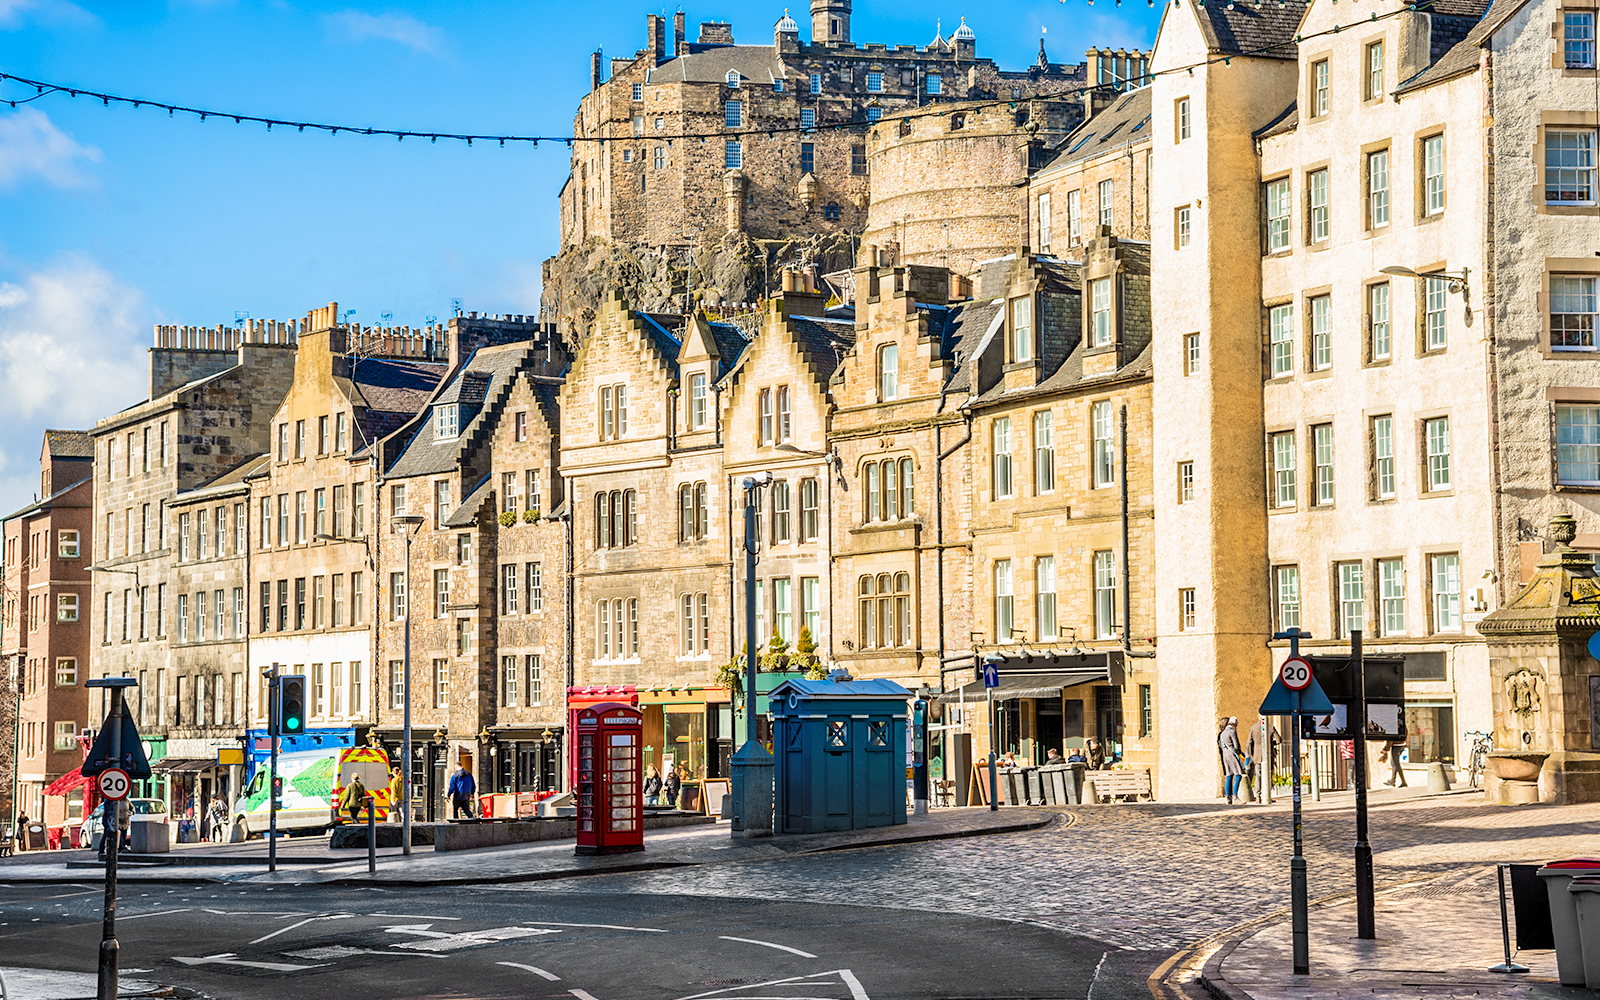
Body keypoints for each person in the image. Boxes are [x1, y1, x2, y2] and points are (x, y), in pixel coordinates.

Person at [1218, 717, 1247, 804]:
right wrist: (1240, 753)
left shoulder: (1222, 734)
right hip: (1232, 755)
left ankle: (1228, 797)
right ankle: (1235, 797)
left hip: (1225, 755)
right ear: (1234, 725)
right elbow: (1237, 746)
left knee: (1229, 775)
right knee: (1238, 774)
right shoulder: (1232, 732)